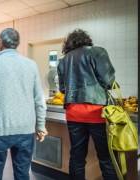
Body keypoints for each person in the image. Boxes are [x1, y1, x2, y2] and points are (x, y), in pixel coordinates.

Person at [0, 28, 48, 180]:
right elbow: (39, 99)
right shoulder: (31, 65)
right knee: (22, 173)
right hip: (26, 129)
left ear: (0, 42)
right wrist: (41, 126)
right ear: (17, 43)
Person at [57, 29, 118, 180]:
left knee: (77, 157)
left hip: (73, 113)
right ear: (86, 40)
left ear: (69, 43)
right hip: (97, 112)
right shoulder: (97, 52)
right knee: (106, 157)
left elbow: (63, 89)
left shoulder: (63, 61)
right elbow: (109, 81)